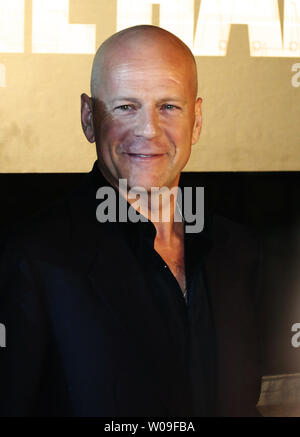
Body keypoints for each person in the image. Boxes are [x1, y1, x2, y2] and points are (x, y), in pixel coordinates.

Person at [0, 25, 262, 417]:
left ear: (198, 119)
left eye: (169, 106)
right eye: (125, 106)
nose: (148, 130)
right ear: (89, 118)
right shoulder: (32, 260)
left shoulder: (236, 251)